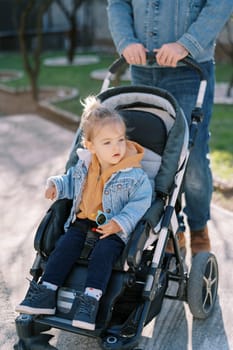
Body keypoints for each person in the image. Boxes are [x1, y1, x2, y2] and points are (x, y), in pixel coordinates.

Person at [107, 0, 233, 255]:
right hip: (142, 68)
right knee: (153, 158)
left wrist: (186, 44)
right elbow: (118, 3)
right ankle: (173, 227)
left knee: (193, 159)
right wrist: (126, 42)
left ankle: (198, 227)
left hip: (189, 68)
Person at [15, 96, 152, 331]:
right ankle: (46, 291)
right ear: (91, 146)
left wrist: (119, 223)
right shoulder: (85, 164)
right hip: (81, 222)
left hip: (111, 229)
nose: (117, 147)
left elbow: (140, 202)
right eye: (107, 142)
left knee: (103, 254)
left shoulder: (134, 174)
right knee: (64, 247)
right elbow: (71, 180)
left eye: (120, 140)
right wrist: (55, 185)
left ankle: (90, 301)